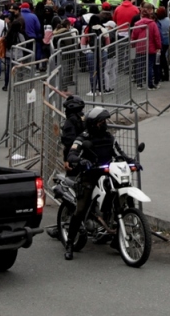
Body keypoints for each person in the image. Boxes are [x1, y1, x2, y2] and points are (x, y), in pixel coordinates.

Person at [64, 107, 128, 260]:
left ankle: (116, 237)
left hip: (108, 173)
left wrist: (132, 162)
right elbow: (72, 154)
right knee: (80, 209)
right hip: (89, 175)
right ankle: (70, 243)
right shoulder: (83, 137)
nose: (104, 124)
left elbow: (119, 153)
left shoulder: (109, 137)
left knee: (122, 198)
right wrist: (80, 160)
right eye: (101, 122)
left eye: (104, 121)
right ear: (93, 124)